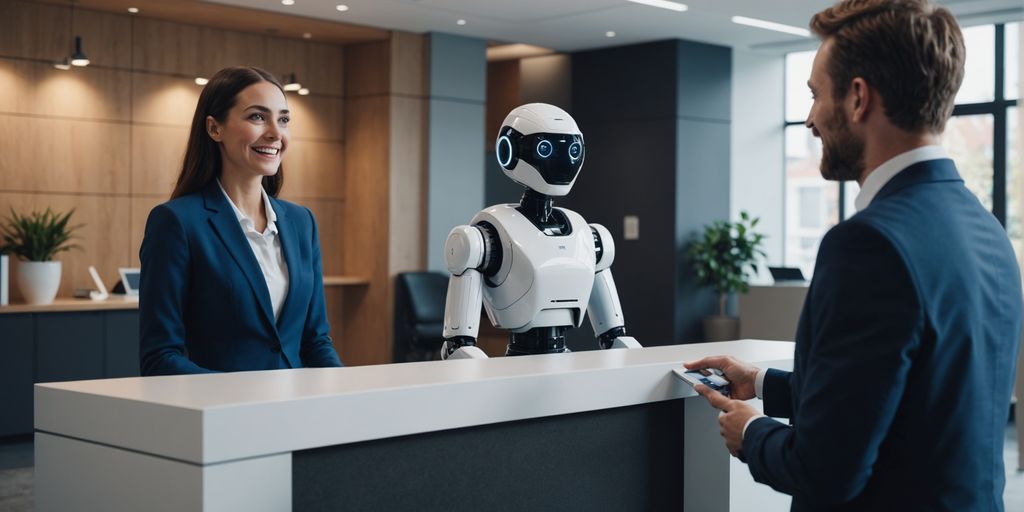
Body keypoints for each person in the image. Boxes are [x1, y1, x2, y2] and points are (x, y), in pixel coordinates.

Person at [686, 1, 1021, 509]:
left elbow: (824, 471)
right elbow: (908, 400)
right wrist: (761, 383)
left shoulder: (868, 244)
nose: (809, 119)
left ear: (858, 98)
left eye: (815, 95)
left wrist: (751, 433)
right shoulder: (988, 229)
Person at [139, 66, 343, 375]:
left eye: (283, 119)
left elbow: (315, 342)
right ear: (214, 128)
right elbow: (159, 357)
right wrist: (241, 397)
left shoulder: (302, 222)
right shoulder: (176, 222)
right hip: (221, 404)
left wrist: (345, 391)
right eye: (258, 117)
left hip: (297, 402)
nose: (276, 133)